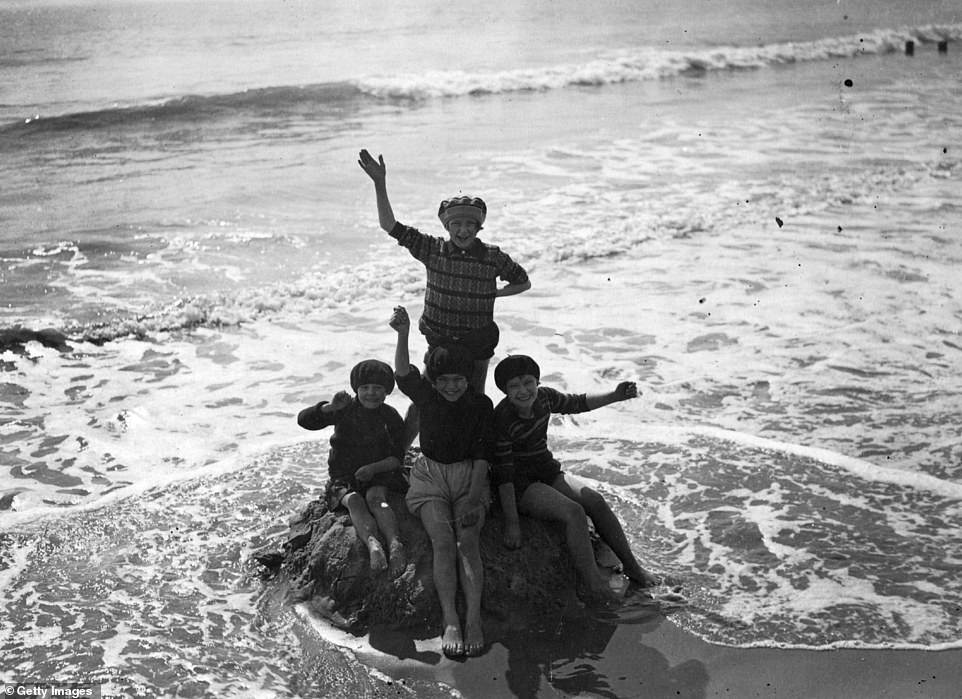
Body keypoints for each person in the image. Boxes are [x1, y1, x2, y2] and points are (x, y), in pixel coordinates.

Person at [358, 149, 531, 393]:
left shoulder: (492, 256)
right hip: (439, 339)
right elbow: (389, 225)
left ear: (479, 227)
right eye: (456, 224)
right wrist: (379, 183)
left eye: (470, 224)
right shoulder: (432, 248)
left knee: (474, 398)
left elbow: (523, 282)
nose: (463, 230)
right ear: (447, 226)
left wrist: (493, 293)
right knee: (427, 400)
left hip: (478, 341)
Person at [491, 355, 659, 605]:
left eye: (528, 383)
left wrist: (614, 395)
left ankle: (633, 568)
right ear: (505, 391)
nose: (523, 391)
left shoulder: (545, 397)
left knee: (594, 500)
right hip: (519, 483)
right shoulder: (503, 419)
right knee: (574, 513)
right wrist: (512, 523)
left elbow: (577, 403)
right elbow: (504, 475)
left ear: (537, 382)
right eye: (514, 386)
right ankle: (594, 585)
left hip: (545, 469)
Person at [389, 305, 493, 658]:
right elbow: (403, 374)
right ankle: (450, 619)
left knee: (468, 542)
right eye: (445, 380)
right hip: (431, 476)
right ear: (435, 380)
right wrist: (403, 334)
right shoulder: (428, 396)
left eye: (459, 380)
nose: (452, 386)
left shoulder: (481, 405)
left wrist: (474, 496)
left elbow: (483, 454)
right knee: (443, 542)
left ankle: (474, 619)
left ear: (469, 379)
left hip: (469, 476)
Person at [297, 360, 408, 578]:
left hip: (378, 473)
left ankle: (395, 544)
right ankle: (373, 543)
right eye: (365, 388)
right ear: (356, 389)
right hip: (344, 475)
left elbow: (397, 458)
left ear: (387, 392)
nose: (371, 393)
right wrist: (330, 407)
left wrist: (373, 468)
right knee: (355, 500)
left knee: (377, 499)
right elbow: (304, 420)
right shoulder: (344, 409)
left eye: (378, 388)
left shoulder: (390, 416)